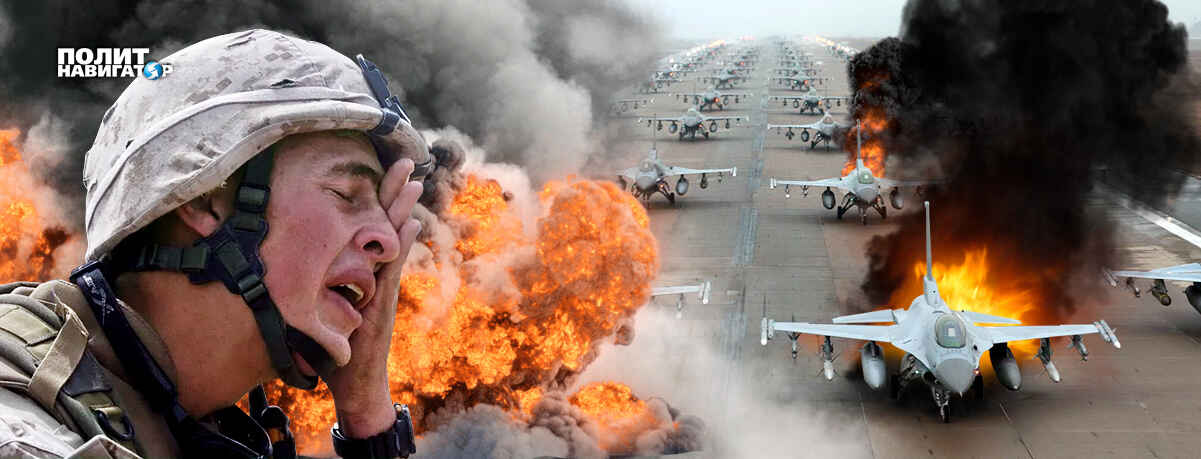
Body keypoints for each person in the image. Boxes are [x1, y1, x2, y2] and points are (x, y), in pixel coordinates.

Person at [0, 29, 433, 458]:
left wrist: (367, 417)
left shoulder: (178, 427)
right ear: (203, 196)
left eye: (381, 209)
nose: (388, 244)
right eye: (345, 194)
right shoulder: (22, 434)